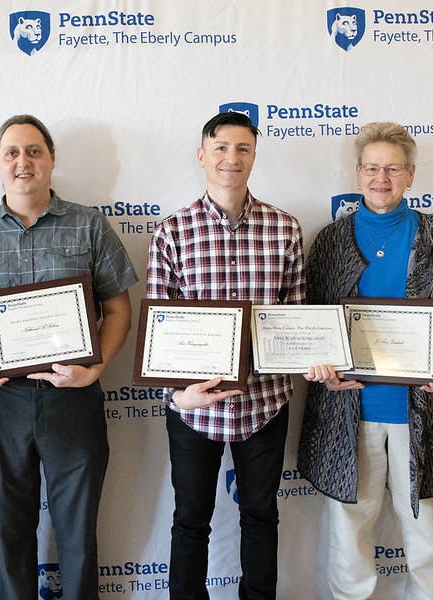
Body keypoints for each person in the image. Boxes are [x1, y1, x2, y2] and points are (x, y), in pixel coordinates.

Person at [0, 114, 137, 600]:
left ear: (51, 160)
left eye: (33, 151)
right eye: (11, 153)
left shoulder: (89, 225)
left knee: (78, 532)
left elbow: (118, 310)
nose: (22, 162)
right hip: (0, 400)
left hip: (73, 399)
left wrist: (96, 370)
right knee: (10, 530)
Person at [297, 122, 433, 600]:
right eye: (373, 168)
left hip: (423, 409)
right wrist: (322, 364)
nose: (383, 177)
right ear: (357, 174)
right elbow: (309, 318)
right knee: (349, 529)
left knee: (426, 532)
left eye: (393, 168)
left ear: (411, 175)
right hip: (348, 410)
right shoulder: (330, 240)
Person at [147, 111, 305, 600]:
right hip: (195, 410)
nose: (230, 158)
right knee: (190, 521)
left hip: (265, 404)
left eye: (242, 149)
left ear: (254, 156)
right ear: (202, 155)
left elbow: (296, 316)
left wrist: (314, 356)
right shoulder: (172, 231)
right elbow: (159, 330)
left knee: (261, 518)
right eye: (220, 148)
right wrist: (179, 396)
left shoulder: (285, 228)